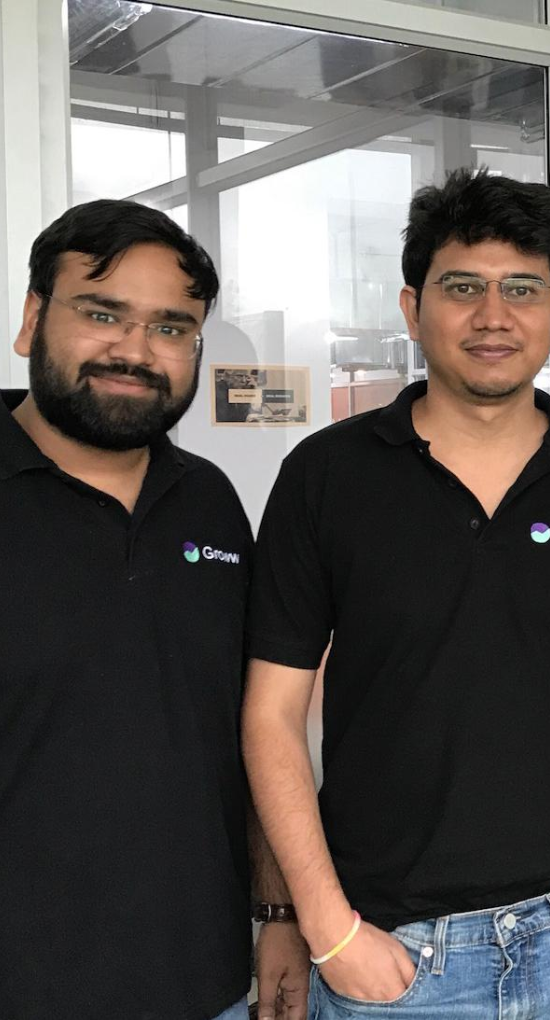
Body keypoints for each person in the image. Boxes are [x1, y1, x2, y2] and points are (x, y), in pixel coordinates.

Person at [242, 167, 550, 1019]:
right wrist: (325, 927)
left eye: (523, 289)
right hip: (390, 950)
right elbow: (270, 716)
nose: (493, 316)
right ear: (413, 307)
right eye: (462, 287)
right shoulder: (328, 476)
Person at [0, 199, 308, 1020]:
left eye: (171, 328)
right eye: (102, 314)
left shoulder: (210, 504)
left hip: (205, 986)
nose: (135, 351)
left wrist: (278, 912)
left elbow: (248, 728)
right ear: (32, 319)